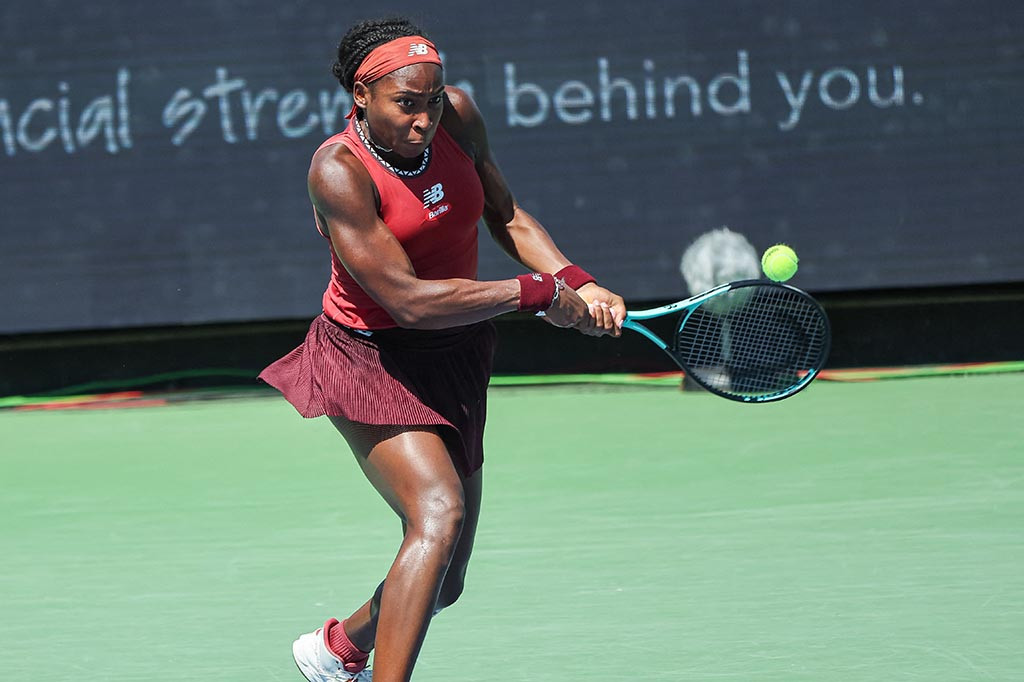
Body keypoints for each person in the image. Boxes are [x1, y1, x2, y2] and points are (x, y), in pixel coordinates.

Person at [259, 16, 625, 682]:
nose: (424, 118)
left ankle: (339, 648)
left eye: (432, 100)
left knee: (444, 579)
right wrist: (533, 293)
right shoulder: (338, 170)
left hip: (456, 354)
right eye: (406, 104)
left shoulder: (457, 116)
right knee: (438, 512)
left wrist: (577, 281)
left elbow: (505, 213)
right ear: (361, 98)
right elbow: (407, 300)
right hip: (370, 357)